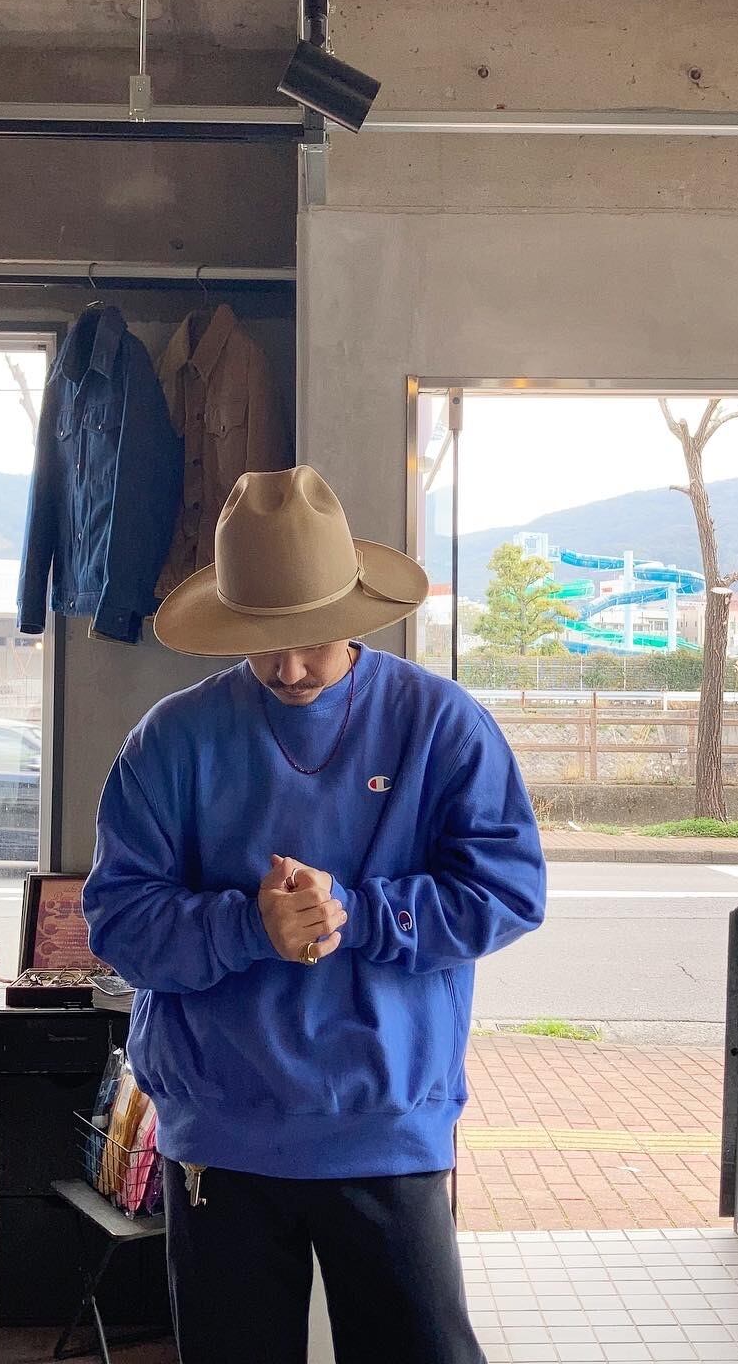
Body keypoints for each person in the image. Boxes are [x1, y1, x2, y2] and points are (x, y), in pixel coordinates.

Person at [84, 465, 547, 1364]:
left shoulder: (441, 724)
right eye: (265, 641)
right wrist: (248, 927)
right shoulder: (171, 740)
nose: (290, 668)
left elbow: (509, 891)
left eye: (313, 640)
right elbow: (121, 926)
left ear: (355, 612)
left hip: (388, 1124)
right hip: (220, 1132)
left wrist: (358, 913)